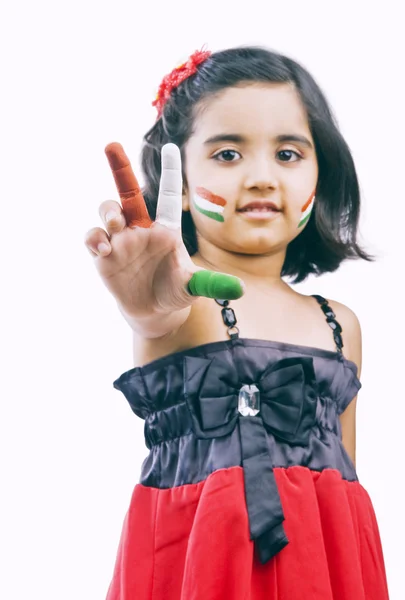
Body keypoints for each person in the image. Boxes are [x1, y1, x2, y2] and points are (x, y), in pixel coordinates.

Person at [84, 46, 390, 599]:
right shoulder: (185, 306)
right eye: (227, 154)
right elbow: (156, 318)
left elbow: (345, 478)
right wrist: (145, 302)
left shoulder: (339, 324)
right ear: (175, 173)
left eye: (289, 154)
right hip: (202, 566)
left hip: (325, 567)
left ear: (325, 168)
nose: (262, 177)